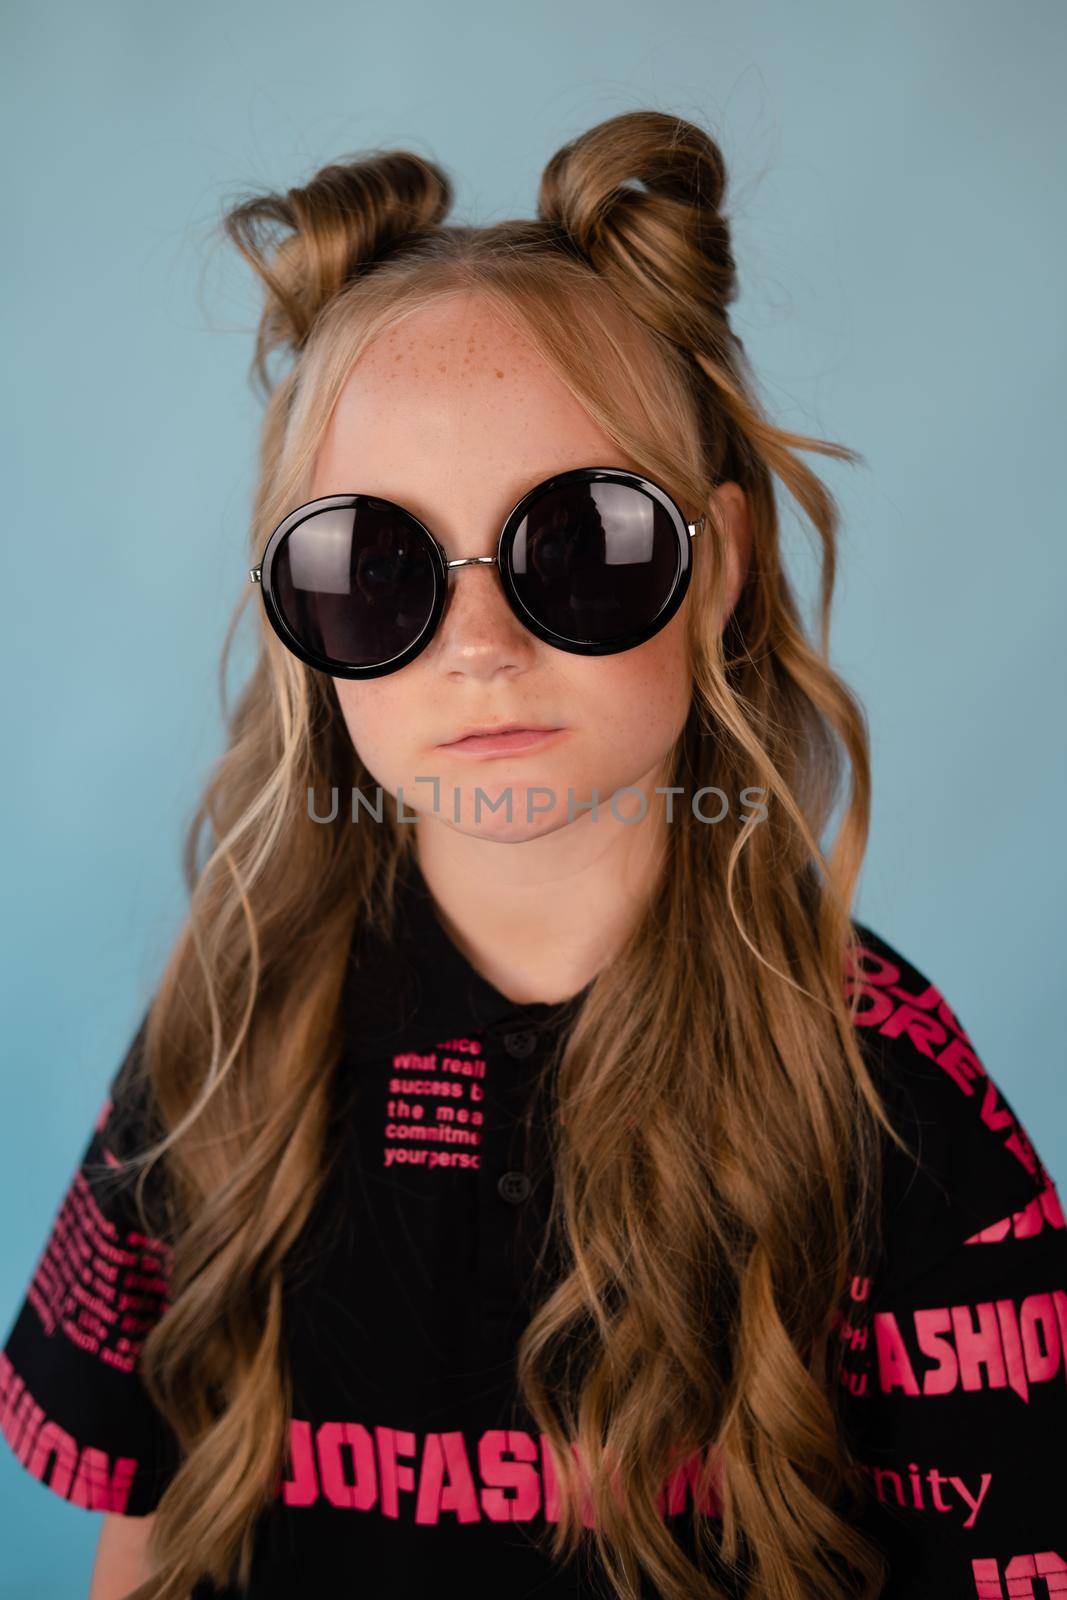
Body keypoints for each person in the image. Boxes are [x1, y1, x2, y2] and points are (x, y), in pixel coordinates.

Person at [1, 110, 1063, 1600]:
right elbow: (153, 1523)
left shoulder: (887, 1100)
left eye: (581, 543)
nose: (481, 646)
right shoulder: (224, 1041)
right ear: (300, 624)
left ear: (721, 565)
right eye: (376, 568)